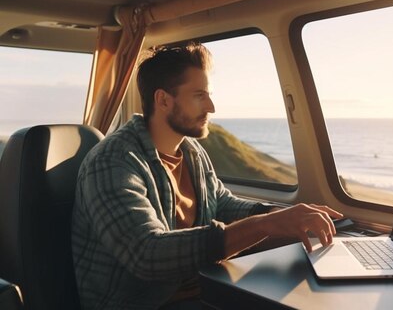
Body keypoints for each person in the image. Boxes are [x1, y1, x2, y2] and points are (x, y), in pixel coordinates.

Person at [72, 42, 342, 309]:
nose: (211, 106)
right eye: (199, 95)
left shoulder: (191, 152)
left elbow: (223, 205)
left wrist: (288, 217)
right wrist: (264, 225)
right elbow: (147, 254)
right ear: (163, 100)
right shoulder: (113, 161)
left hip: (203, 288)